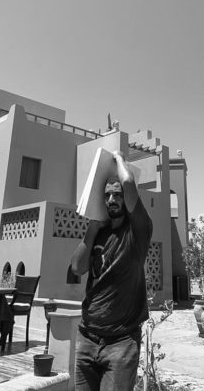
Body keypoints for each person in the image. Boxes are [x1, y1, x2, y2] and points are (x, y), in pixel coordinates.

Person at [71, 150, 153, 391]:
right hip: (86, 339)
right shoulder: (98, 232)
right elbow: (77, 267)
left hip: (121, 344)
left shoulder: (138, 232)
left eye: (117, 195)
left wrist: (117, 158)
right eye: (107, 195)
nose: (112, 200)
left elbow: (128, 183)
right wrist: (93, 226)